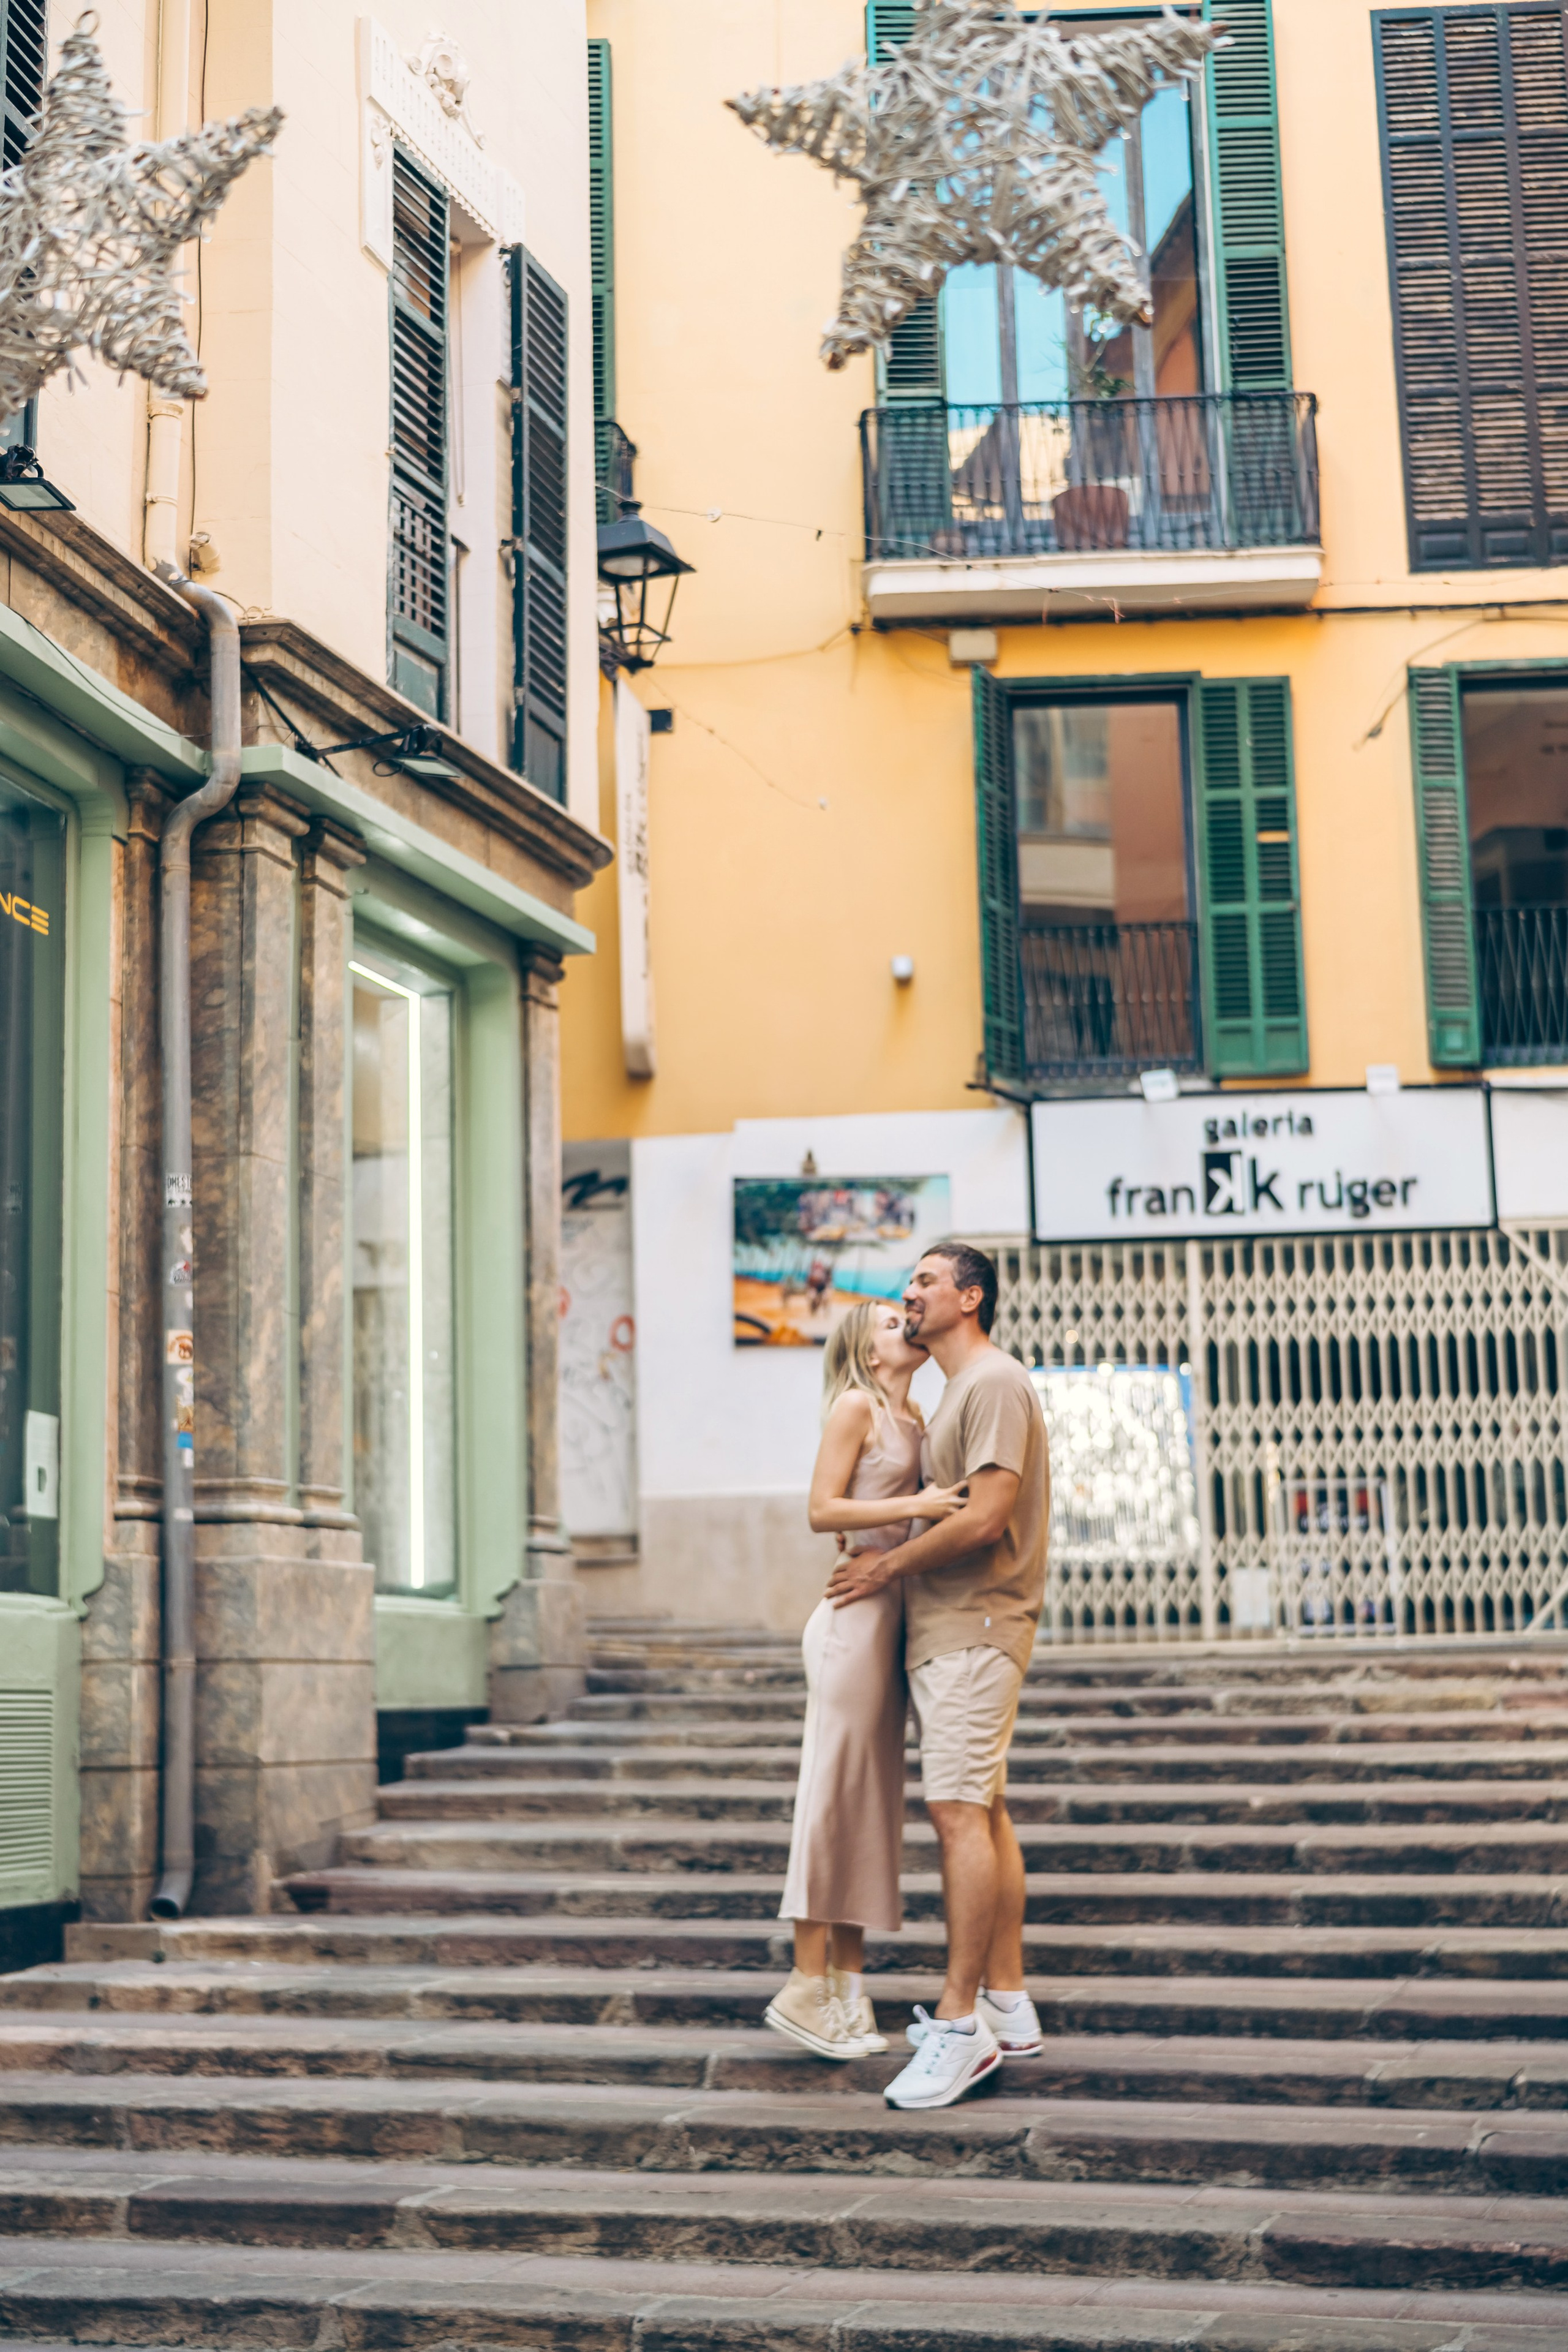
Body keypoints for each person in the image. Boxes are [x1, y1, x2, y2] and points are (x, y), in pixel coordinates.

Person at [826, 1241, 1050, 2111]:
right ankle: (1008, 2001)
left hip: (977, 1622)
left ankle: (962, 2029)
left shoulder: (991, 1381)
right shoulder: (960, 1390)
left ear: (972, 1295)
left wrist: (885, 1569)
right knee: (982, 1808)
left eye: (923, 1281)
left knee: (956, 1810)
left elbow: (990, 1516)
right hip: (957, 1627)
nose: (908, 1294)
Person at [765, 1299, 967, 2060]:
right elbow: (821, 1509)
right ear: (867, 1350)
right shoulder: (856, 1405)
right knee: (831, 1795)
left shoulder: (915, 1416)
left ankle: (847, 1992)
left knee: (867, 1809)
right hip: (850, 1624)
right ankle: (802, 1985)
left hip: (892, 1623)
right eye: (888, 1324)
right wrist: (916, 1503)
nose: (903, 1327)